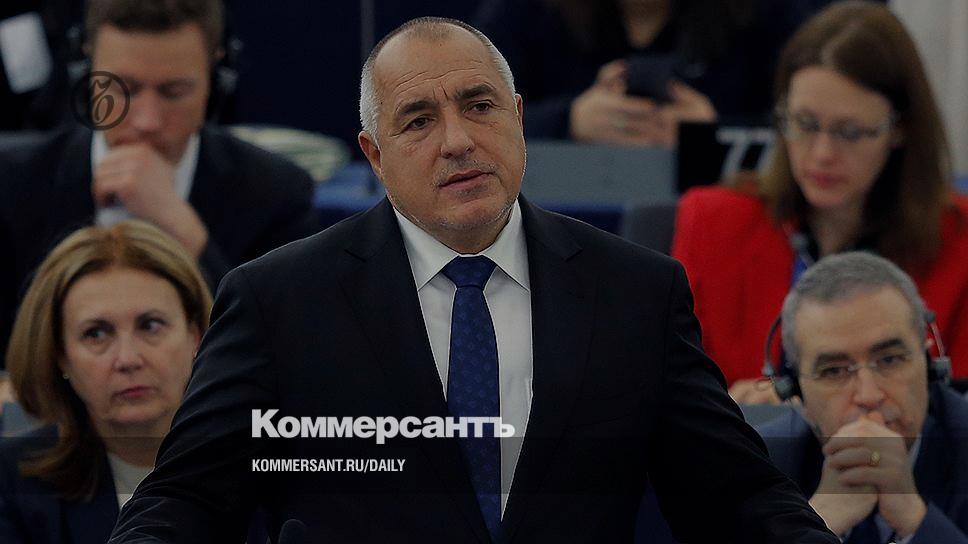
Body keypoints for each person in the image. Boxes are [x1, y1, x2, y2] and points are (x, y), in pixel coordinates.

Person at [109, 17, 837, 543]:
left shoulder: (635, 293)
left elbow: (738, 498)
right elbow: (186, 502)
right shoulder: (280, 302)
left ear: (517, 118)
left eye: (479, 106)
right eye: (418, 121)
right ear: (374, 154)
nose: (458, 141)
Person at [671, 0, 968, 403]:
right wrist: (730, 411)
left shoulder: (959, 240)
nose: (822, 153)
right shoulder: (713, 221)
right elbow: (674, 391)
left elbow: (957, 414)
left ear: (900, 129)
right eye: (805, 124)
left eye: (850, 132)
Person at [0, 0, 319, 365]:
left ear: (216, 79)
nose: (147, 121)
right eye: (123, 89)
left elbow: (286, 357)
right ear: (85, 71)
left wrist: (187, 235)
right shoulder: (13, 185)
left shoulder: (276, 195)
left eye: (173, 92)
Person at [0, 220, 212, 543]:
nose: (127, 359)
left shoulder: (266, 465)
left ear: (195, 335)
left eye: (151, 325)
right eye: (96, 334)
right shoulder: (11, 482)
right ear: (60, 356)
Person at [756, 252, 968, 542]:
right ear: (796, 392)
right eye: (834, 371)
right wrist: (816, 524)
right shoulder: (760, 465)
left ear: (930, 365)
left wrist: (915, 521)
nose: (869, 395)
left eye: (890, 360)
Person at [474, 0, 819, 146]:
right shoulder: (524, 11)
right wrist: (570, 121)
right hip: (558, 213)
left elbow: (813, 127)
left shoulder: (769, 12)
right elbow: (471, 120)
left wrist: (714, 134)